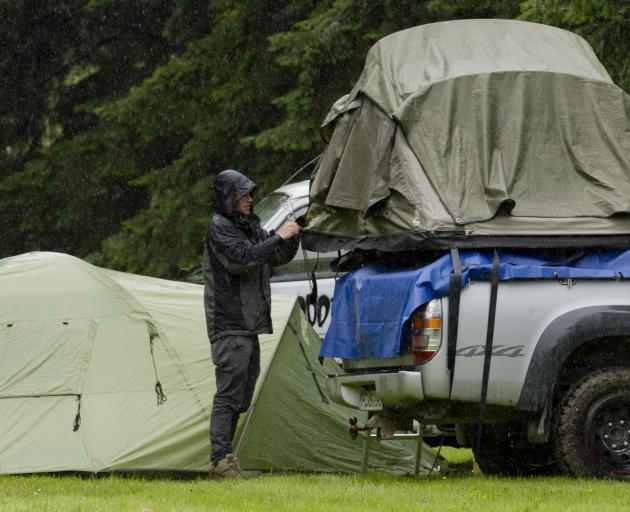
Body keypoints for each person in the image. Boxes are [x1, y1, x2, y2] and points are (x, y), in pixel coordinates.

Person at [202, 169, 300, 480]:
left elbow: (275, 254)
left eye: (250, 194)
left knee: (240, 397)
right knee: (228, 396)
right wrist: (278, 237)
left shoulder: (248, 226)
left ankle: (224, 462)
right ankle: (220, 461)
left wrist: (295, 235)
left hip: (248, 325)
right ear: (230, 198)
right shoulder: (220, 229)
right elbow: (243, 259)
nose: (250, 199)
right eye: (243, 194)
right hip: (229, 324)